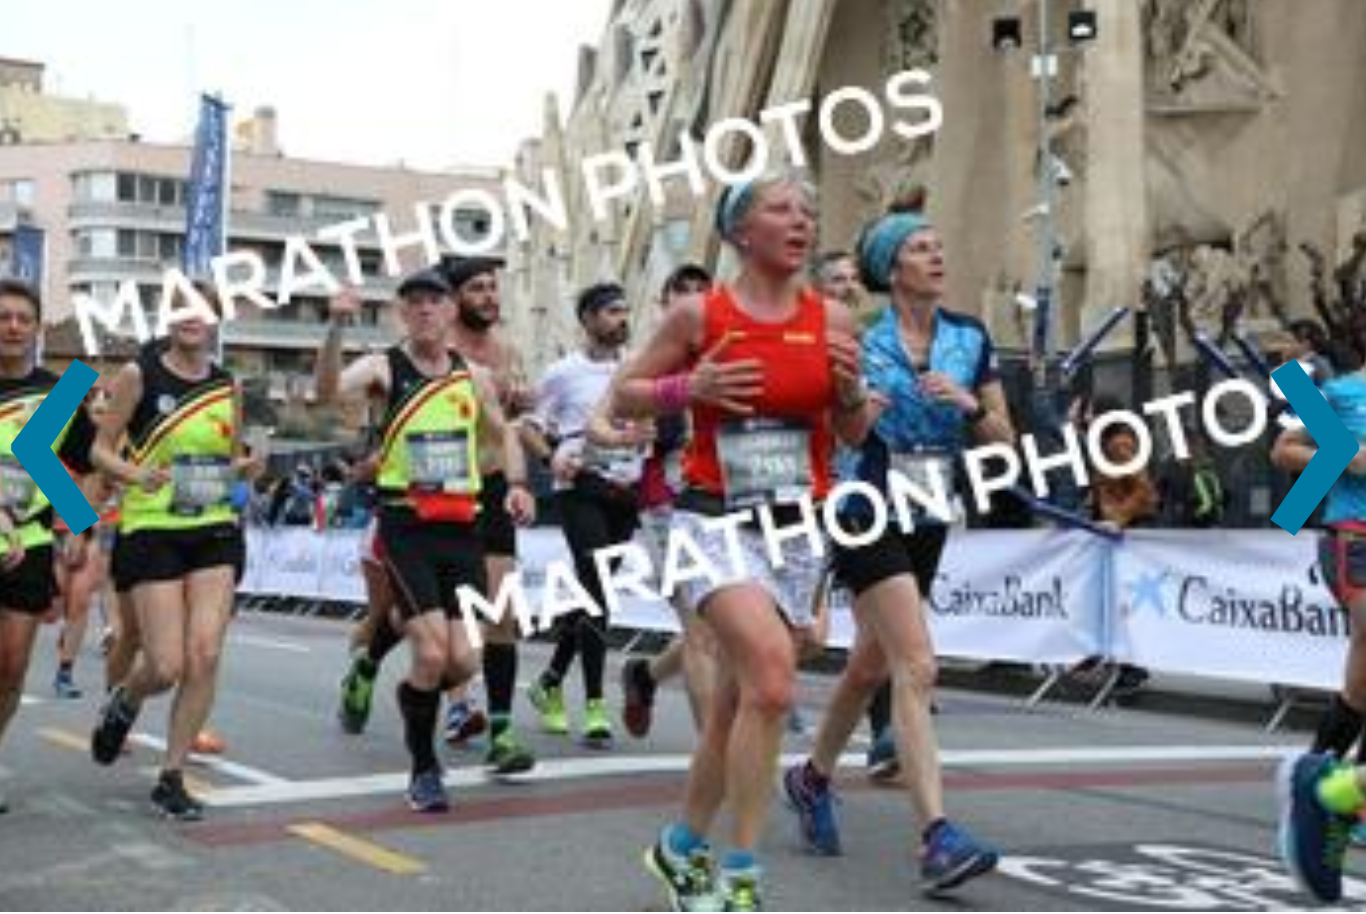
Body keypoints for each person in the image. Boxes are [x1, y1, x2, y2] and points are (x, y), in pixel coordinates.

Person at [612, 171, 877, 910]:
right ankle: (741, 876)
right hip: (713, 520)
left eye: (808, 211)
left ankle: (679, 848)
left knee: (738, 705)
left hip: (797, 528)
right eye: (780, 210)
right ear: (739, 231)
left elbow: (854, 431)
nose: (800, 222)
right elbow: (625, 392)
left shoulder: (833, 320)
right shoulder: (701, 314)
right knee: (772, 680)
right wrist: (685, 390)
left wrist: (851, 393)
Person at [782, 211, 1010, 896]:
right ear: (890, 268)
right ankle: (937, 837)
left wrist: (969, 405)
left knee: (869, 664)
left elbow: (1005, 439)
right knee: (917, 663)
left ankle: (811, 777)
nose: (936, 256)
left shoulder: (969, 337)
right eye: (919, 248)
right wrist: (861, 406)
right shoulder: (863, 340)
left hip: (930, 508)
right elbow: (842, 433)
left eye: (939, 246)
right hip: (866, 508)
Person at [316, 268, 535, 812]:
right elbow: (324, 394)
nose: (424, 310)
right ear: (401, 313)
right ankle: (424, 768)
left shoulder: (473, 375)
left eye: (434, 301)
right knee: (433, 654)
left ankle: (409, 694)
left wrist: (516, 484)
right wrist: (335, 328)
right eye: (413, 303)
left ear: (449, 310)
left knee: (464, 662)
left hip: (462, 528)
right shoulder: (383, 367)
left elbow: (503, 433)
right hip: (406, 526)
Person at [89, 286, 260, 820]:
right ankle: (126, 700)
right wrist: (134, 474)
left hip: (213, 527)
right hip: (153, 527)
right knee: (165, 666)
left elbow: (229, 458)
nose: (192, 318)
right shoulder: (138, 375)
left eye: (202, 311)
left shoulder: (227, 383)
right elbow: (99, 449)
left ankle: (172, 775)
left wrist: (245, 468)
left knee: (204, 654)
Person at [521, 282, 647, 749]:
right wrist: (551, 457)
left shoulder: (640, 367)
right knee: (596, 590)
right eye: (612, 311)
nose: (622, 319)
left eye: (625, 311)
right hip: (580, 487)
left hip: (625, 490)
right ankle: (595, 704)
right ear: (589, 319)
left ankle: (550, 680)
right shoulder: (562, 372)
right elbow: (529, 428)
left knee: (596, 592)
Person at [606, 263, 718, 738]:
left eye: (701, 291)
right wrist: (622, 435)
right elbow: (602, 418)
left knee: (721, 629)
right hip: (665, 505)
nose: (691, 299)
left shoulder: (728, 354)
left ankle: (645, 676)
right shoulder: (649, 361)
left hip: (726, 502)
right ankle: (717, 753)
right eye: (681, 291)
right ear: (665, 302)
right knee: (699, 629)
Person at [1273, 344, 1366, 904]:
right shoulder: (1341, 392)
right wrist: (1343, 457)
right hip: (1355, 538)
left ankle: (1327, 789)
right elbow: (1284, 451)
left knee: (1361, 684)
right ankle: (1329, 793)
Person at [0, 278, 95, 813]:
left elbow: (79, 465)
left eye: (23, 318)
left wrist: (77, 526)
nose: (12, 327)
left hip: (29, 541)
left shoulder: (59, 393)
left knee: (11, 667)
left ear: (36, 329)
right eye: (3, 317)